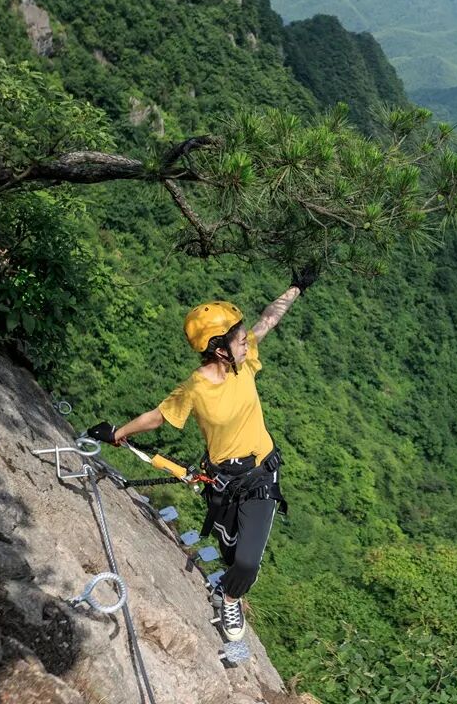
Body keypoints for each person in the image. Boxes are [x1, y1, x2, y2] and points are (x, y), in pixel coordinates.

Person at [91, 271, 315, 641]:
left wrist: (295, 288)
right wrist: (117, 433)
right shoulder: (195, 388)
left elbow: (268, 319)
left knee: (246, 561)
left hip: (261, 476)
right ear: (218, 347)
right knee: (231, 554)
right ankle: (231, 583)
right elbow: (158, 417)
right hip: (223, 483)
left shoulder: (243, 364)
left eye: (244, 338)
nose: (247, 342)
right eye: (239, 339)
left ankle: (230, 599)